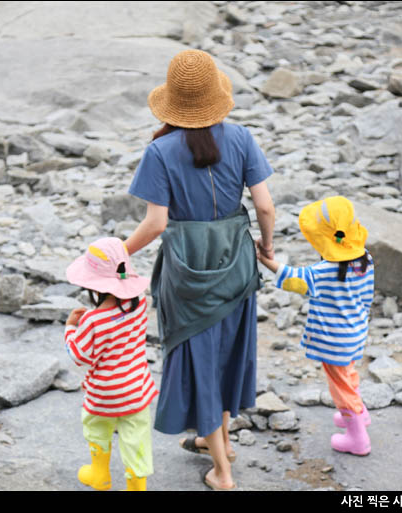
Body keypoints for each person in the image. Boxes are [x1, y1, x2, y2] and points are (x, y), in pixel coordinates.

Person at [124, 49, 276, 490]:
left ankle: (223, 474)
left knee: (199, 357)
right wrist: (266, 247)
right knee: (227, 351)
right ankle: (221, 444)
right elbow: (264, 205)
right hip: (236, 259)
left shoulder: (160, 151)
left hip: (188, 268)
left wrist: (120, 251)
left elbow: (155, 224)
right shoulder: (242, 138)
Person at [255, 196, 374, 456]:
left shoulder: (323, 272)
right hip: (355, 333)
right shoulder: (365, 259)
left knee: (340, 387)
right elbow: (367, 298)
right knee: (349, 374)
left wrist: (265, 261)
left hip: (333, 341)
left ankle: (358, 438)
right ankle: (359, 414)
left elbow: (295, 279)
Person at [63, 237, 158, 491]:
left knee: (95, 426)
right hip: (136, 389)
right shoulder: (139, 303)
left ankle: (100, 473)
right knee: (136, 438)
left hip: (104, 392)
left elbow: (79, 356)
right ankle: (137, 488)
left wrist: (70, 328)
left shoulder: (93, 320)